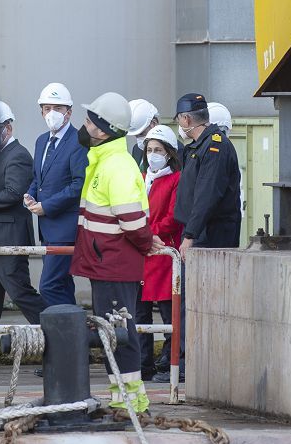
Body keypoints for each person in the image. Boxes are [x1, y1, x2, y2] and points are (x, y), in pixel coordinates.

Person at [70, 92, 157, 413]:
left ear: (104, 130)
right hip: (106, 264)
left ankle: (132, 402)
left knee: (119, 334)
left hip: (113, 264)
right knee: (114, 333)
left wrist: (148, 242)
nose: (84, 125)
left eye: (89, 120)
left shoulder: (116, 166)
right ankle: (125, 399)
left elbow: (132, 219)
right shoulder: (107, 161)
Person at [0, 100, 45, 370]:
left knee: (20, 293)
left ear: (8, 127)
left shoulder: (18, 155)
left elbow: (14, 193)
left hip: (8, 237)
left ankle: (63, 337)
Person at [25, 83, 88, 308]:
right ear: (41, 111)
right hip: (46, 226)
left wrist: (47, 206)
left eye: (58, 108)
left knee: (49, 286)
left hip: (64, 226)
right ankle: (73, 335)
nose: (51, 113)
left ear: (69, 112)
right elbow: (37, 178)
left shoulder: (79, 140)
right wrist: (30, 195)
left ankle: (67, 331)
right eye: (47, 108)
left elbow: (78, 184)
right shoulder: (42, 141)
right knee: (61, 283)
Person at [136, 125, 183, 380]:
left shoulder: (176, 179)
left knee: (168, 311)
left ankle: (168, 361)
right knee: (139, 312)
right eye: (150, 149)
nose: (153, 154)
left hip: (164, 253)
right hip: (140, 253)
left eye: (158, 150)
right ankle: (143, 364)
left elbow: (173, 218)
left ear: (169, 154)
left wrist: (146, 233)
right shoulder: (141, 176)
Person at [173, 93, 242, 258]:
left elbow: (207, 194)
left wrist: (190, 235)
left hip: (210, 237)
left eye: (178, 119)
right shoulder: (198, 146)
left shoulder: (215, 147)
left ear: (186, 119)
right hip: (199, 231)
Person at [128, 98, 159, 171]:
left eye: (141, 134)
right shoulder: (136, 149)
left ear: (153, 124)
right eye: (135, 135)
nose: (138, 139)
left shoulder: (173, 149)